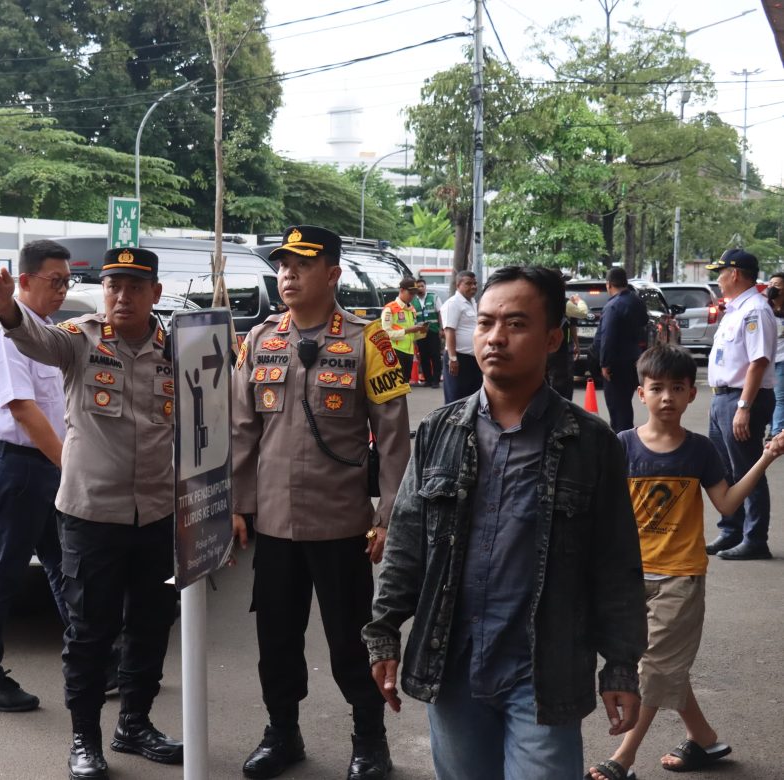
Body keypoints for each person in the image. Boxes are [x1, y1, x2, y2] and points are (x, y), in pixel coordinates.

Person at [363, 266, 648, 780]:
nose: (495, 337)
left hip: (543, 670)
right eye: (487, 322)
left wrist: (621, 666)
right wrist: (384, 633)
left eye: (516, 324)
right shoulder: (438, 431)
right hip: (452, 660)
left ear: (554, 338)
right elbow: (407, 542)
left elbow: (616, 564)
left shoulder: (591, 443)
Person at [0, 247, 183, 780]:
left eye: (135, 287)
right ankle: (85, 740)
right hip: (91, 515)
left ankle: (134, 725)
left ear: (155, 294)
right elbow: (33, 338)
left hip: (157, 513)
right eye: (114, 285)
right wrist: (7, 309)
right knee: (90, 633)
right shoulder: (79, 339)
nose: (122, 296)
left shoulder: (178, 347)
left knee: (150, 627)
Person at [230, 225, 412, 780]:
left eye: (301, 265)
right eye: (283, 265)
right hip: (277, 528)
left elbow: (395, 440)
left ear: (332, 273)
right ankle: (282, 733)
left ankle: (369, 739)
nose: (288, 274)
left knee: (352, 638)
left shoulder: (370, 342)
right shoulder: (260, 340)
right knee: (276, 640)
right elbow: (241, 430)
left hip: (342, 526)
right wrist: (238, 505)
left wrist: (388, 519)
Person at [585, 345, 783, 780]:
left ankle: (624, 758)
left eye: (678, 388)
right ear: (641, 393)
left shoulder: (701, 450)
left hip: (681, 577)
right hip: (631, 578)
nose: (668, 397)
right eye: (658, 388)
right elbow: (604, 513)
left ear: (693, 394)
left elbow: (727, 504)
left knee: (654, 669)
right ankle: (706, 740)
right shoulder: (620, 446)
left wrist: (766, 457)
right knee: (667, 666)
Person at [0, 240, 73, 714]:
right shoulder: (5, 336)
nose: (63, 291)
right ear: (23, 281)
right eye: (55, 281)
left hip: (40, 468)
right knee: (2, 575)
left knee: (64, 564)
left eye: (68, 282)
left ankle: (93, 655)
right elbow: (24, 410)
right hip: (21, 467)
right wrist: (69, 466)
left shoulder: (44, 333)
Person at [704, 248, 777, 561]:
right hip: (723, 396)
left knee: (748, 469)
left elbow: (758, 362)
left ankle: (754, 537)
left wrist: (744, 407)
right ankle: (731, 530)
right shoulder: (736, 308)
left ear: (735, 273)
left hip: (742, 397)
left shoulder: (755, 310)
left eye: (720, 273)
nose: (718, 279)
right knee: (724, 469)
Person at [593, 267, 648, 433]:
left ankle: (621, 443)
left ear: (609, 285)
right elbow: (644, 322)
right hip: (633, 359)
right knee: (624, 404)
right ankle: (624, 437)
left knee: (617, 409)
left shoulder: (613, 306)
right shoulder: (636, 301)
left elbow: (607, 337)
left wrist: (604, 363)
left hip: (616, 363)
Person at [439, 270, 481, 402]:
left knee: (473, 397)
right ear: (458, 285)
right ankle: (452, 423)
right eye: (468, 284)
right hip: (458, 359)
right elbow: (449, 331)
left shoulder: (473, 303)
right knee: (456, 398)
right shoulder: (453, 304)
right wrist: (453, 358)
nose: (473, 286)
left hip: (473, 359)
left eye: (475, 283)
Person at [380, 278, 425, 386]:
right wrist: (408, 330)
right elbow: (385, 334)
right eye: (410, 293)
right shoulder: (390, 309)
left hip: (409, 352)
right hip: (394, 352)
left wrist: (421, 331)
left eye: (414, 294)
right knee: (395, 386)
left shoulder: (412, 309)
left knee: (404, 385)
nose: (412, 296)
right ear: (401, 290)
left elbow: (413, 335)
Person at [547, 293, 588, 400]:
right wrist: (579, 301)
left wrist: (577, 345)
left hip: (546, 351)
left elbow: (572, 325)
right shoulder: (565, 303)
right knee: (562, 386)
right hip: (561, 353)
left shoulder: (540, 300)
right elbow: (583, 313)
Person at [413, 278, 442, 388]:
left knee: (435, 356)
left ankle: (436, 381)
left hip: (433, 330)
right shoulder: (413, 301)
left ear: (425, 287)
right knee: (424, 357)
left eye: (422, 286)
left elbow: (440, 313)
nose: (420, 288)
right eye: (418, 286)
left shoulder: (433, 297)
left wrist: (441, 329)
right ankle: (428, 380)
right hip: (420, 332)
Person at [767, 272, 784, 436]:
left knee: (779, 398)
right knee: (770, 398)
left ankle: (776, 432)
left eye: (777, 285)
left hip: (782, 361)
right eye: (770, 284)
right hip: (766, 362)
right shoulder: (764, 310)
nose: (772, 288)